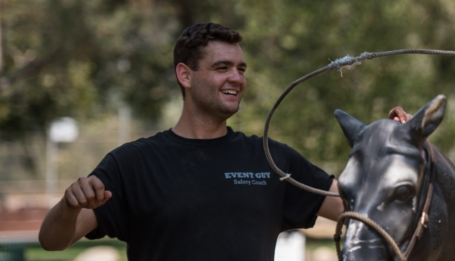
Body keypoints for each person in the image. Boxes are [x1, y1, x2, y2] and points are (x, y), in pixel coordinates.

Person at [38, 23, 344, 260]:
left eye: (241, 69)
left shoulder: (271, 160)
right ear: (185, 75)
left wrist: (389, 142)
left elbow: (358, 206)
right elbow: (52, 241)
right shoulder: (133, 164)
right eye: (222, 68)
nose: (236, 78)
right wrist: (69, 205)